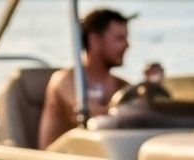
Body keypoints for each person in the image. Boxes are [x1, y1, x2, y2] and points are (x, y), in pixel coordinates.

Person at [38, 8, 133, 146]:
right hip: (62, 157)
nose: (127, 45)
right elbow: (88, 115)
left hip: (103, 155)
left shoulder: (121, 85)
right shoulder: (65, 80)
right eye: (119, 39)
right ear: (94, 40)